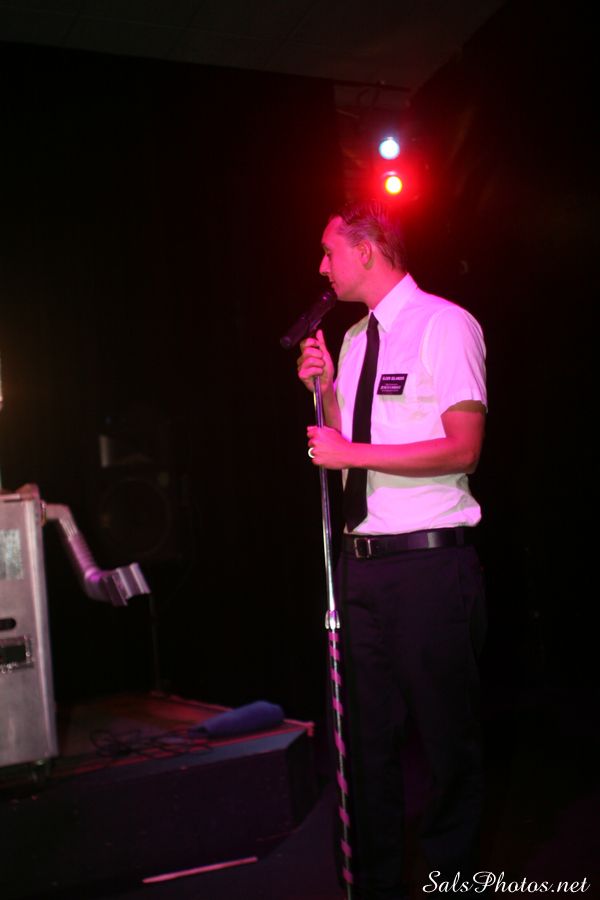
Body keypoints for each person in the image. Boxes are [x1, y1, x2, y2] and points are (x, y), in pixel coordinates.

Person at [296, 199, 487, 900]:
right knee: (365, 746)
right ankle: (373, 885)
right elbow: (351, 450)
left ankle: (455, 883)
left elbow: (463, 448)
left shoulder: (445, 324)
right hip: (363, 569)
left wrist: (350, 450)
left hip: (430, 566)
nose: (322, 267)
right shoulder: (353, 340)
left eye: (329, 251)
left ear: (367, 250)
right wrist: (324, 392)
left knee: (446, 744)